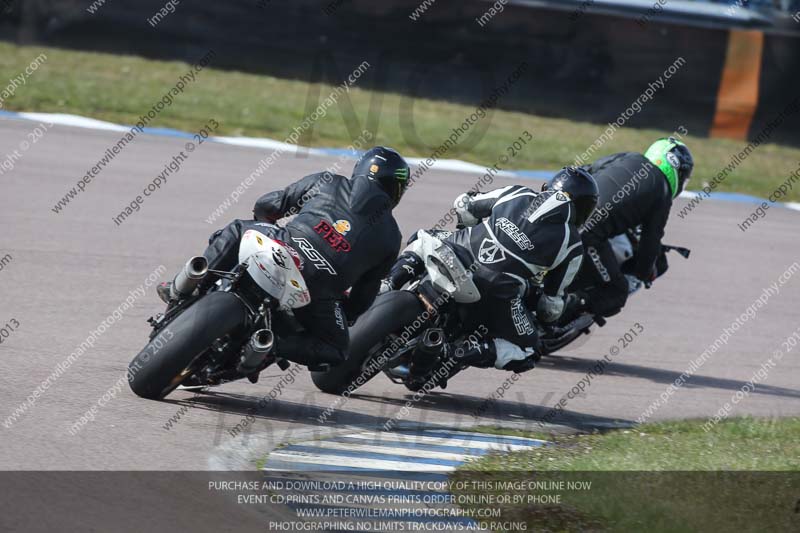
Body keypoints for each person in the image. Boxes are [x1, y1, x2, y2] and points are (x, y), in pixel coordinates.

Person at [158, 146, 410, 374]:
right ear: (396, 190)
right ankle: (269, 345)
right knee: (336, 349)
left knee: (236, 229)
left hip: (281, 245)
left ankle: (186, 285)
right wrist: (345, 314)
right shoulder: (391, 237)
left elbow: (269, 204)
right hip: (317, 290)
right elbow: (363, 297)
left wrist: (265, 222)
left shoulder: (327, 181)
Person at [383, 167, 598, 373]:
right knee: (528, 350)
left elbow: (464, 204)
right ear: (583, 210)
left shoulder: (517, 193)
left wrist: (466, 228)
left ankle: (388, 283)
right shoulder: (573, 245)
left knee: (422, 239)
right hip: (497, 290)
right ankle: (456, 352)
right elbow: (551, 305)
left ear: (548, 186)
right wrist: (546, 319)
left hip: (458, 250)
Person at [564, 137, 694, 320]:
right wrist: (644, 272)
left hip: (565, 213)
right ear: (677, 173)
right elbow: (651, 241)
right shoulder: (662, 193)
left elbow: (588, 170)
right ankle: (559, 311)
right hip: (587, 237)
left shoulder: (628, 156)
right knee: (616, 293)